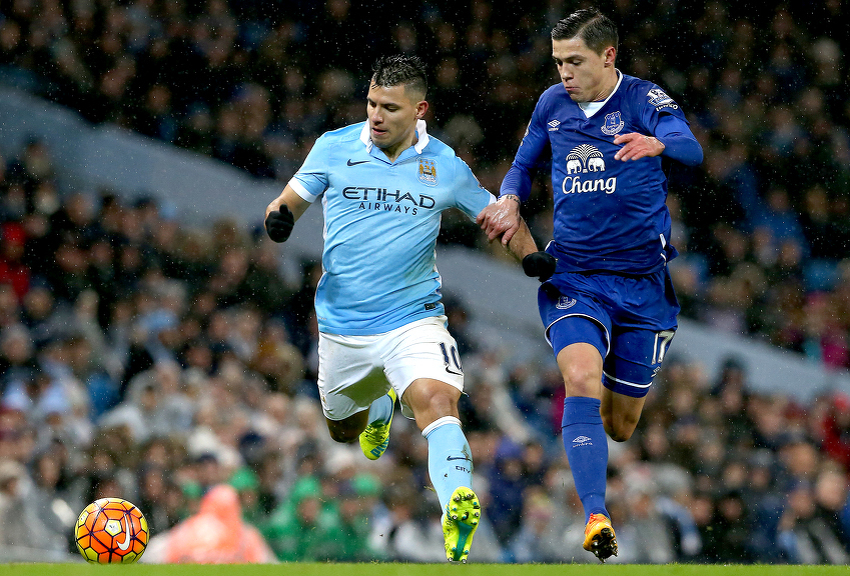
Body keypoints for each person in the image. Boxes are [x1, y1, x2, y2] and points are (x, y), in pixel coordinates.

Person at [263, 54, 537, 563]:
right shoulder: (334, 146)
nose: (376, 115)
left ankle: (457, 499)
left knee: (438, 400)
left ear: (419, 109)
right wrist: (280, 218)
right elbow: (288, 201)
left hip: (414, 317)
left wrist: (535, 259)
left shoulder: (446, 166)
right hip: (344, 329)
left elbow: (498, 216)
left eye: (389, 106)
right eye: (371, 103)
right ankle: (380, 403)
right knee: (342, 430)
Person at [477, 8, 703, 562]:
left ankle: (606, 401)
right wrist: (508, 197)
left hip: (643, 287)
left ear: (608, 56)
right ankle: (596, 514)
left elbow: (691, 148)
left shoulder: (645, 101)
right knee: (579, 377)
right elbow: (523, 164)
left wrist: (659, 145)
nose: (564, 73)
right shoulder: (552, 105)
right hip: (574, 276)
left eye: (574, 61)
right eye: (557, 62)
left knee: (621, 426)